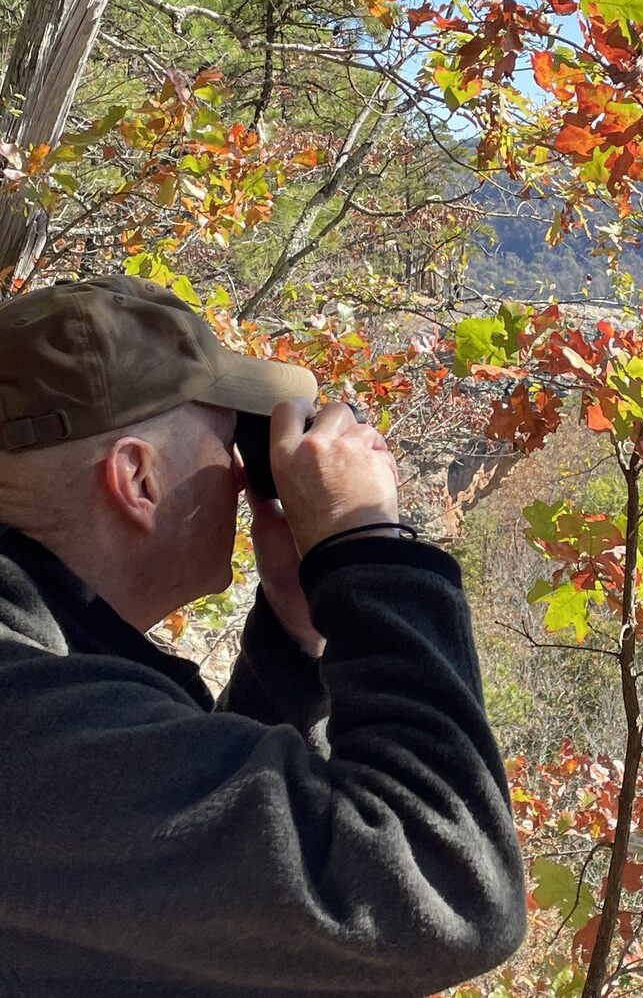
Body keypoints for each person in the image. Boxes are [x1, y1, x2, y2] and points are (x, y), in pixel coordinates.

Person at [0, 275, 526, 997]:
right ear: (137, 479)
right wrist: (369, 547)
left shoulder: (42, 681)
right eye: (229, 435)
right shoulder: (24, 727)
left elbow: (194, 871)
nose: (249, 472)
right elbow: (444, 886)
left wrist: (293, 626)